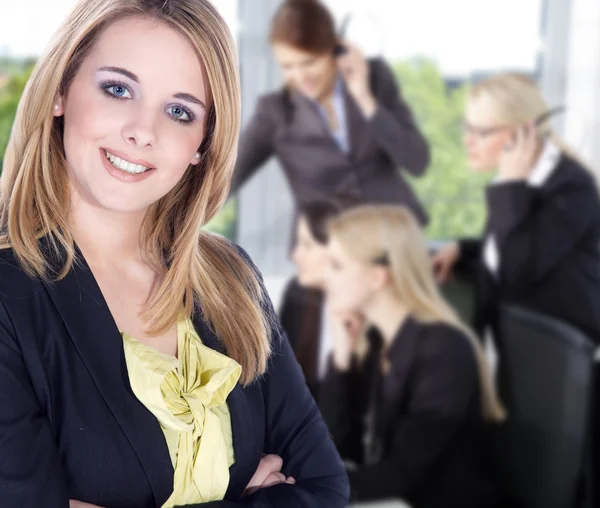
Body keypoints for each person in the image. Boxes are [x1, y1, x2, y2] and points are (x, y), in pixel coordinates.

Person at [0, 1, 349, 507]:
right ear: (60, 91)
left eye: (179, 111)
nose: (143, 131)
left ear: (202, 144)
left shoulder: (232, 278)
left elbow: (326, 490)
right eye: (118, 89)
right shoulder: (8, 297)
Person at [321, 205, 506, 508]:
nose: (326, 277)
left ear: (378, 277)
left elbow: (402, 474)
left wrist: (309, 485)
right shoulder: (376, 342)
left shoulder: (445, 350)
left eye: (337, 265)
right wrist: (341, 360)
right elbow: (341, 448)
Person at [229, 0, 430, 230]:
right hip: (327, 250)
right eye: (288, 66)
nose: (300, 76)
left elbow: (418, 162)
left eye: (309, 62)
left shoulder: (375, 79)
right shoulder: (275, 112)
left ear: (335, 50)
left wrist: (364, 97)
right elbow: (227, 177)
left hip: (397, 238)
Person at [431, 73, 600, 342]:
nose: (467, 140)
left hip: (558, 364)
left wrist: (511, 187)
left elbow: (517, 270)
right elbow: (510, 246)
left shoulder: (571, 188)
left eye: (481, 131)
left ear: (524, 132)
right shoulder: (514, 183)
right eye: (467, 127)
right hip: (521, 350)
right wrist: (464, 249)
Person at [279, 197, 346, 400]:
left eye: (307, 245)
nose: (296, 255)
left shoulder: (368, 316)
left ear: (336, 249)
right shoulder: (297, 295)